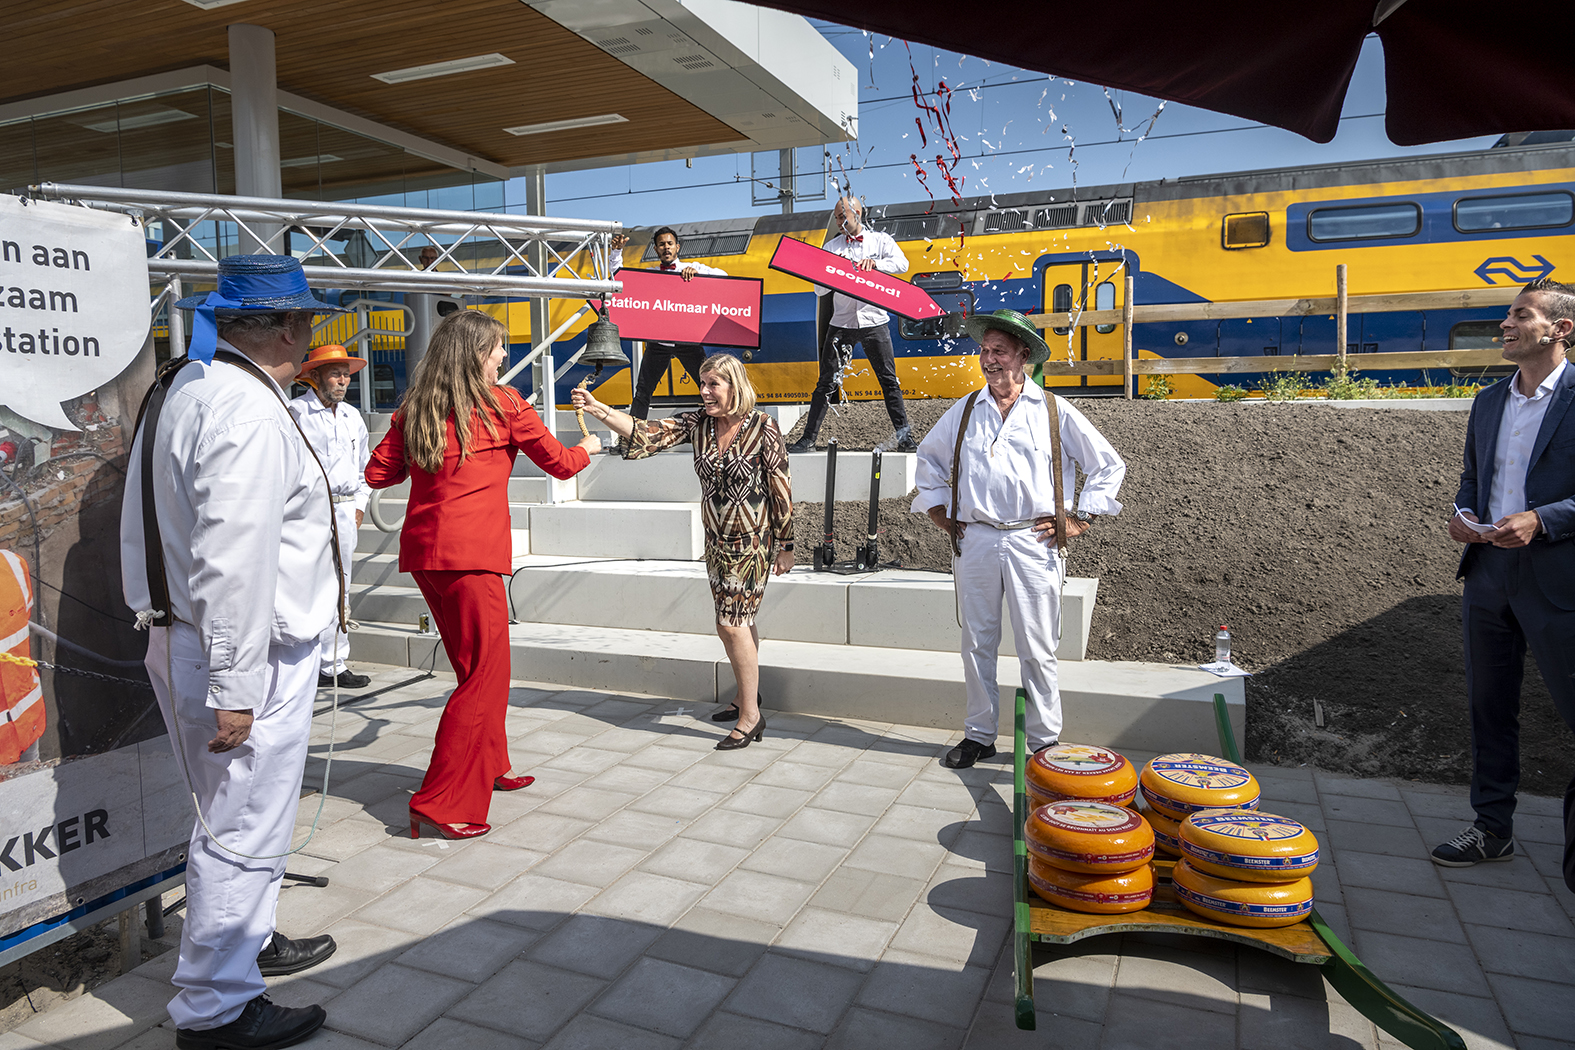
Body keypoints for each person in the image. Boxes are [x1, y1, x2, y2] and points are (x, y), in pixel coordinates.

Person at [121, 255, 343, 1049]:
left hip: (193, 636)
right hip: (240, 652)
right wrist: (235, 684)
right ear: (286, 328)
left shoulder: (186, 384)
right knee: (240, 826)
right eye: (308, 321)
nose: (311, 334)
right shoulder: (244, 409)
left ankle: (245, 945)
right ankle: (216, 1006)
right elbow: (233, 560)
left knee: (233, 819)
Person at [366, 310, 600, 838]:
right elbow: (561, 463)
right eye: (498, 348)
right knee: (484, 679)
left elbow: (378, 473)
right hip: (473, 559)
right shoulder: (507, 405)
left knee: (474, 667)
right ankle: (442, 801)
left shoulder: (416, 408)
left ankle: (490, 765)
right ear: (476, 353)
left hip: (426, 555)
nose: (503, 357)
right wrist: (591, 449)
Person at [911, 310, 1126, 769]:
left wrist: (1079, 517)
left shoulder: (1051, 409)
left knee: (1037, 643)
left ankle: (1044, 742)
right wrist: (939, 512)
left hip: (1035, 542)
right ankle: (979, 735)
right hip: (978, 541)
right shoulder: (966, 409)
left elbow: (1108, 464)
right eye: (984, 350)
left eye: (999, 351)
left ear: (1022, 356)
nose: (988, 360)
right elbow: (928, 459)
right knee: (977, 641)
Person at [572, 353, 794, 749]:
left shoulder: (764, 426)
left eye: (713, 385)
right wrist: (598, 409)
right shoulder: (698, 424)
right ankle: (748, 696)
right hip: (717, 541)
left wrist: (786, 544)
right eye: (702, 384)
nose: (705, 392)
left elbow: (781, 488)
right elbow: (646, 433)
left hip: (752, 542)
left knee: (731, 623)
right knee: (734, 622)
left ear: (734, 386)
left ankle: (751, 717)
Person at [1437, 277, 1575, 893]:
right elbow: (1474, 477)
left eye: (1521, 315)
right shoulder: (1489, 400)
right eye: (1507, 317)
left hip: (1558, 581)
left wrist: (1545, 519)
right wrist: (1464, 515)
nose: (1506, 325)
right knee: (1490, 707)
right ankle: (1492, 829)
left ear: (1560, 329)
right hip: (1488, 574)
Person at [787, 196, 916, 454]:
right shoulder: (830, 247)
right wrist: (830, 276)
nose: (838, 221)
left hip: (875, 321)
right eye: (836, 217)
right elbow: (819, 291)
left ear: (857, 214)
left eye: (842, 216)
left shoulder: (881, 241)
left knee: (889, 381)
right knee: (825, 382)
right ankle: (808, 439)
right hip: (841, 323)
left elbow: (903, 264)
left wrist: (876, 264)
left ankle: (905, 439)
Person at [290, 345, 372, 690]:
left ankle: (334, 663)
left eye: (346, 374)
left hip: (343, 507)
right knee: (305, 584)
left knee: (342, 586)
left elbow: (364, 467)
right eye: (336, 374)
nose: (343, 381)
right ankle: (307, 663)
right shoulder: (295, 412)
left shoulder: (353, 416)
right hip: (308, 509)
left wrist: (359, 505)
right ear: (316, 376)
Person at [608, 226, 728, 420]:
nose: (666, 247)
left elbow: (725, 277)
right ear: (655, 249)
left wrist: (698, 273)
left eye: (670, 244)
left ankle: (721, 426)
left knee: (709, 386)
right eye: (661, 244)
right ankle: (631, 437)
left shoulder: (693, 268)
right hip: (658, 343)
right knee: (643, 391)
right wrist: (617, 252)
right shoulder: (649, 274)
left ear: (677, 247)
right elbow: (620, 279)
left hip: (688, 341)